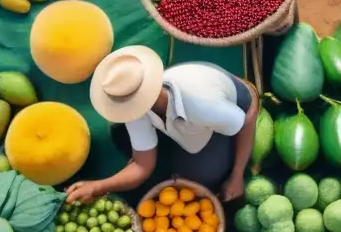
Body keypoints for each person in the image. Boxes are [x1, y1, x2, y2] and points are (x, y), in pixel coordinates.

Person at [65, 46, 259, 205]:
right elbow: (142, 165)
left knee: (199, 177)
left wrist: (237, 175)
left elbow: (247, 116)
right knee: (121, 135)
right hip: (197, 113)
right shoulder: (133, 105)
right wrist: (97, 187)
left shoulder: (200, 105)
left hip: (229, 107)